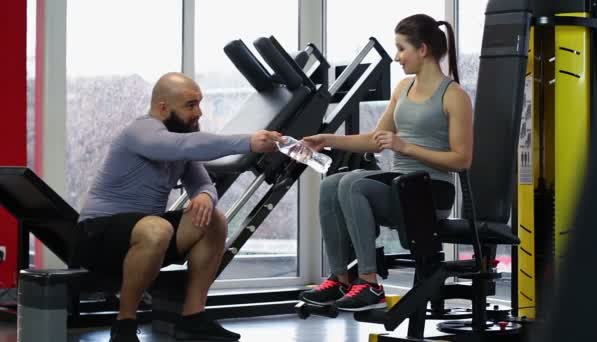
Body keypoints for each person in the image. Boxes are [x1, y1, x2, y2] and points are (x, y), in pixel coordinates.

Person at [74, 72, 283, 342]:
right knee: (157, 227)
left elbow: (203, 184)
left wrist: (206, 196)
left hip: (148, 236)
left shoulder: (181, 142)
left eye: (199, 103)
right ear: (163, 108)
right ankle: (124, 325)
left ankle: (192, 318)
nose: (199, 112)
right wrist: (247, 142)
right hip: (96, 236)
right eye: (190, 105)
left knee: (213, 220)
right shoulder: (142, 131)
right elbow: (181, 145)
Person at [299, 14, 474, 311]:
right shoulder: (402, 88)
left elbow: (462, 159)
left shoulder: (454, 96)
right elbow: (375, 139)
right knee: (332, 183)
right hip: (400, 186)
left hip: (432, 192)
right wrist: (327, 139)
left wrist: (406, 146)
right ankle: (341, 278)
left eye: (401, 48)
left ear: (423, 50)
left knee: (354, 184)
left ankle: (369, 282)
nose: (396, 57)